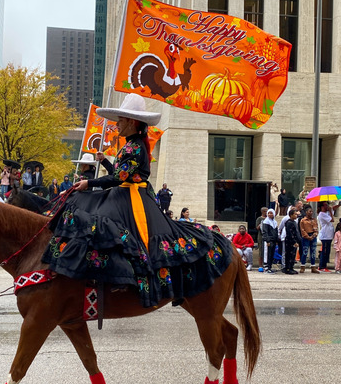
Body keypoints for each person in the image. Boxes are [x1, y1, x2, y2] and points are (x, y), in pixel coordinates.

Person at [41, 93, 233, 308]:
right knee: (92, 214)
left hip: (133, 197)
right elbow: (118, 173)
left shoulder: (135, 147)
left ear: (132, 122)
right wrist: (105, 162)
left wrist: (90, 184)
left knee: (105, 224)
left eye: (120, 121)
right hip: (124, 192)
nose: (117, 125)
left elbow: (118, 177)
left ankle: (122, 276)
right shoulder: (131, 144)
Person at [280, 208, 300, 274]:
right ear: (291, 215)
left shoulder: (294, 222)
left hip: (294, 241)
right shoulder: (289, 222)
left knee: (293, 255)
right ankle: (288, 268)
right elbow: (290, 233)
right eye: (295, 214)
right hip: (290, 241)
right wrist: (294, 241)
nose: (296, 215)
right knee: (289, 255)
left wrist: (298, 240)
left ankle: (291, 267)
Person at [299, 206, 319, 273]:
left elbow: (316, 229)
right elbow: (302, 230)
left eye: (311, 211)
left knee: (313, 252)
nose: (311, 213)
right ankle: (302, 266)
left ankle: (313, 266)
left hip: (313, 236)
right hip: (306, 237)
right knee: (305, 252)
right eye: (309, 211)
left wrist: (314, 235)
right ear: (306, 212)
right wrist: (307, 236)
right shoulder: (303, 220)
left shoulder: (314, 220)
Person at [317, 201, 335, 273]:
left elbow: (333, 209)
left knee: (327, 252)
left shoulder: (326, 213)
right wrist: (330, 211)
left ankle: (324, 265)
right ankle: (322, 266)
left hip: (329, 235)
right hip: (325, 235)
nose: (326, 207)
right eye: (325, 205)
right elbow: (332, 219)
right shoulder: (321, 214)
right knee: (324, 252)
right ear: (321, 207)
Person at [261, 209, 279, 274]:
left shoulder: (274, 222)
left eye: (271, 213)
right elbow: (265, 232)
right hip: (268, 241)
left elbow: (276, 232)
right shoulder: (266, 222)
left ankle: (270, 267)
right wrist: (267, 240)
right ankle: (266, 268)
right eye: (269, 213)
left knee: (271, 254)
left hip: (273, 241)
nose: (270, 215)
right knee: (267, 254)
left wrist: (276, 239)